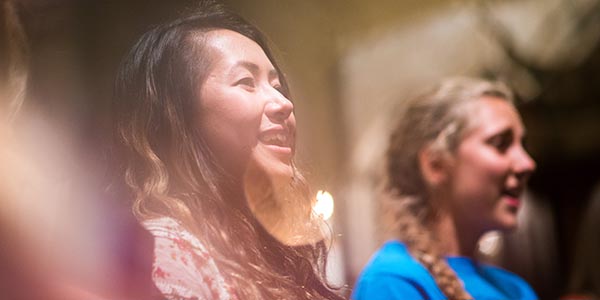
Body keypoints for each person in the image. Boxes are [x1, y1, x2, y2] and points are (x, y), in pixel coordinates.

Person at [112, 2, 342, 299]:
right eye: (246, 82)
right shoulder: (165, 253)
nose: (284, 104)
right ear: (177, 116)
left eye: (278, 86)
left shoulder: (274, 249)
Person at [352, 77, 538, 300]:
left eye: (522, 145)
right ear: (435, 165)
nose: (527, 163)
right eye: (500, 144)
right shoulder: (393, 284)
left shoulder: (516, 290)